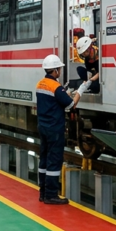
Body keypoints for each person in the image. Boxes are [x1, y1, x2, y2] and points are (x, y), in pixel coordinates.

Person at [36, 55, 83, 204]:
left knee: (44, 158)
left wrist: (63, 94)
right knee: (54, 160)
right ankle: (51, 195)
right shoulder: (56, 87)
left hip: (43, 126)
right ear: (55, 70)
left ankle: (43, 192)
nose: (60, 72)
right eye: (60, 69)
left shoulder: (40, 84)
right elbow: (70, 105)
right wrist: (80, 92)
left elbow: (51, 101)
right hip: (54, 128)